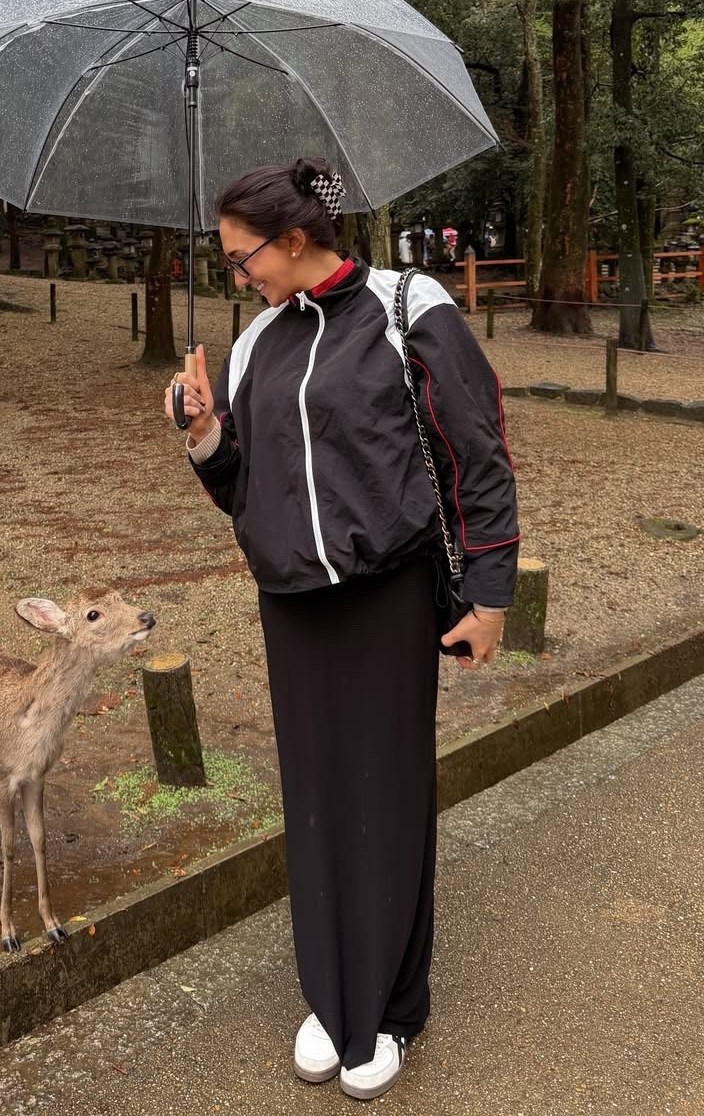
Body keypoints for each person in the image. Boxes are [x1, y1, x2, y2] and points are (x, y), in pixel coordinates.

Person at [163, 158, 518, 1101]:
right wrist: (203, 433)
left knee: (387, 799)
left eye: (244, 261)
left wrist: (489, 596)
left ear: (292, 239)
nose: (239, 278)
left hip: (389, 597)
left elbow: (474, 453)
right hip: (294, 606)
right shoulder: (254, 347)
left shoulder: (409, 309)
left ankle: (393, 1008)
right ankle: (331, 995)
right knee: (316, 800)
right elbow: (245, 487)